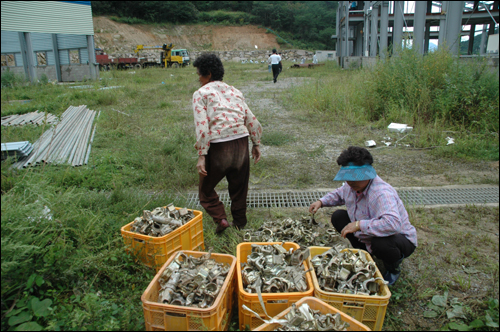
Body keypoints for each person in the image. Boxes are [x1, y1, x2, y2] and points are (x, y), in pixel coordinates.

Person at [309, 146, 417, 285]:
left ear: (367, 174)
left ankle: (392, 268)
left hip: (398, 239)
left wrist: (359, 225)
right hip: (371, 231)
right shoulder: (352, 185)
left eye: (354, 178)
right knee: (338, 217)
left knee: (381, 243)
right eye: (347, 178)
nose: (350, 182)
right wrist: (321, 202)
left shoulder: (381, 193)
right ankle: (364, 251)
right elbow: (339, 194)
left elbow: (393, 224)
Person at [192, 53, 263, 234]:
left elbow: (202, 127)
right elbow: (251, 119)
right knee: (239, 188)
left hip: (218, 147)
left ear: (207, 74)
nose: (198, 78)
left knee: (206, 192)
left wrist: (202, 155)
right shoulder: (235, 91)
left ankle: (221, 219)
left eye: (199, 74)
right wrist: (256, 143)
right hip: (241, 144)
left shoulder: (201, 94)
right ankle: (239, 224)